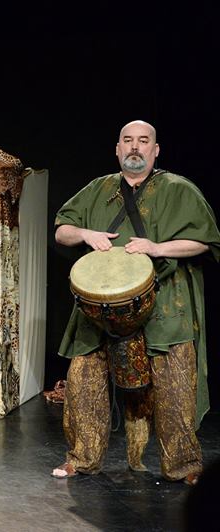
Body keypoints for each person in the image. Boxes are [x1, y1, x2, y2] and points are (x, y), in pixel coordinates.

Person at [51, 120, 220, 485]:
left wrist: (157, 248)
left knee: (175, 387)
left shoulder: (179, 190)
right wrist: (86, 233)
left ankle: (184, 464)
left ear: (155, 150)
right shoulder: (97, 189)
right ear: (117, 149)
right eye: (127, 140)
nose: (134, 147)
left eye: (143, 141)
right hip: (101, 308)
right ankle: (81, 458)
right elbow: (62, 230)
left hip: (166, 303)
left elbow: (205, 240)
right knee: (83, 382)